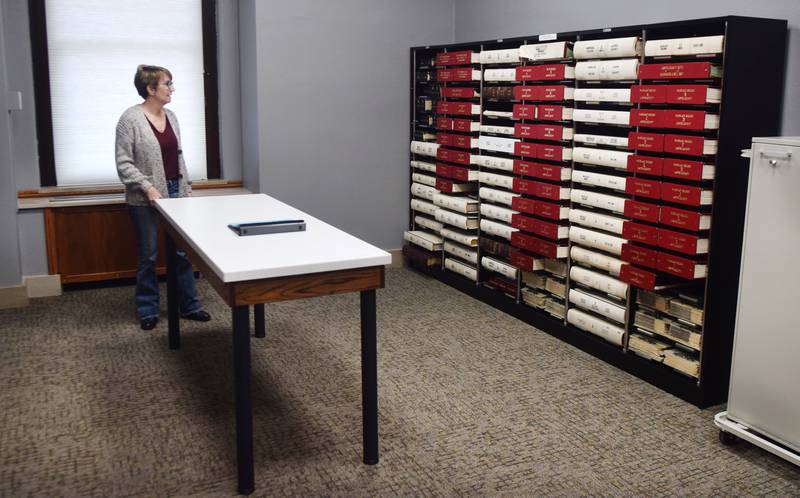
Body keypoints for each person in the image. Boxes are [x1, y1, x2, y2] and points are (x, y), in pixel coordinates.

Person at [115, 64, 210, 330]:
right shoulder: (130, 119)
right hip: (144, 198)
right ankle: (148, 310)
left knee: (181, 253)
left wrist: (187, 188)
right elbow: (124, 164)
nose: (172, 88)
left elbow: (178, 157)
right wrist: (148, 187)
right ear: (150, 88)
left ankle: (189, 306)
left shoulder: (172, 116)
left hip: (175, 192)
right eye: (167, 83)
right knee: (148, 255)